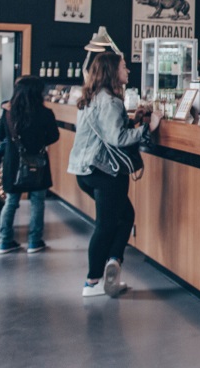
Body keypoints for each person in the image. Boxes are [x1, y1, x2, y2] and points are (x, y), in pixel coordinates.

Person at [67, 52, 162, 298]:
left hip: (85, 170)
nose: (128, 70)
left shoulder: (90, 98)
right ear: (112, 71)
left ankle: (112, 267)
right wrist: (147, 128)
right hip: (106, 171)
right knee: (108, 224)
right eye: (123, 66)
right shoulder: (110, 101)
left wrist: (135, 121)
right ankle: (93, 280)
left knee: (121, 217)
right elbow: (117, 139)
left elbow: (109, 131)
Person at [0, 76, 60, 255]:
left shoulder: (9, 113)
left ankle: (5, 242)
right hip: (38, 162)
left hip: (13, 163)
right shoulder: (45, 113)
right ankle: (34, 242)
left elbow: (2, 137)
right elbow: (54, 136)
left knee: (10, 202)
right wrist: (38, 143)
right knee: (37, 201)